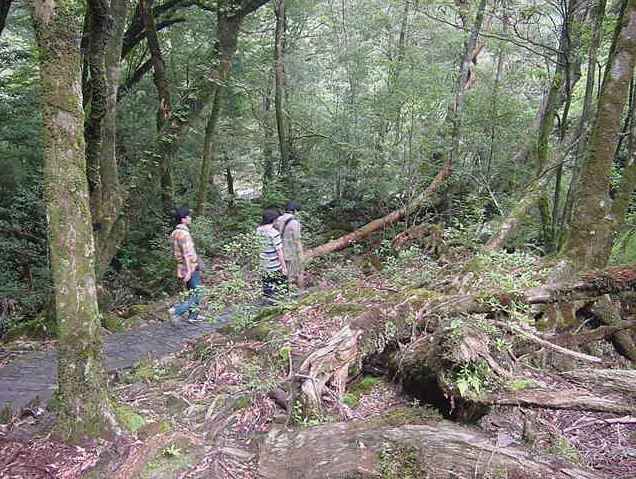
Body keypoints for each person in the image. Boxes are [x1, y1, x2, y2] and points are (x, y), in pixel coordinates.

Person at [168, 207, 204, 325]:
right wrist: (189, 271)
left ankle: (194, 315)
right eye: (188, 216)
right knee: (196, 293)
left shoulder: (174, 233)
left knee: (192, 291)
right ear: (183, 219)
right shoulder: (184, 234)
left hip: (181, 267)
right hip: (190, 267)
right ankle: (176, 311)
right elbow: (187, 254)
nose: (190, 218)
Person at [256, 207, 288, 304]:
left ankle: (267, 305)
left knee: (267, 289)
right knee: (281, 287)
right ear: (273, 220)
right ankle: (280, 305)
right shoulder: (274, 233)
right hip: (275, 266)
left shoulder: (258, 230)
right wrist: (284, 267)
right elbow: (279, 252)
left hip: (264, 265)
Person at [274, 200, 304, 288]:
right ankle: (301, 291)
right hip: (291, 252)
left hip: (279, 251)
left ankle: (284, 291)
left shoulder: (278, 220)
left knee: (284, 273)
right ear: (295, 210)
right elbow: (297, 240)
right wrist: (301, 255)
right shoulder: (295, 223)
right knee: (298, 273)